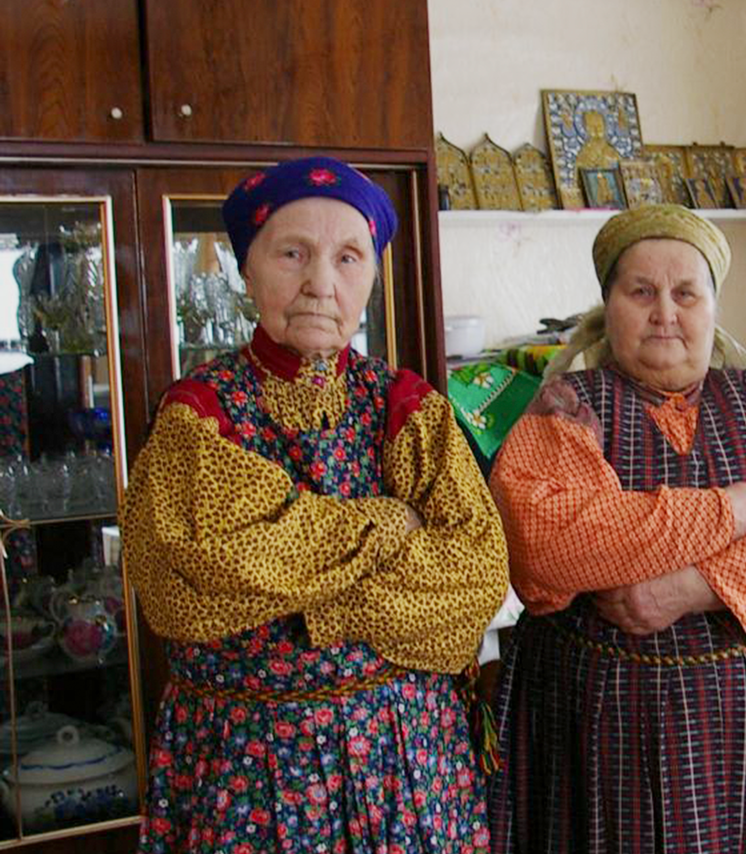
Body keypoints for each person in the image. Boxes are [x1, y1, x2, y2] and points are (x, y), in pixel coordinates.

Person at [121, 156, 508, 853]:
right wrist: (388, 522)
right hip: (247, 758)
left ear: (373, 275)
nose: (320, 284)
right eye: (292, 253)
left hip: (404, 752)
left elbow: (473, 580)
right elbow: (193, 584)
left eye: (349, 257)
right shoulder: (199, 415)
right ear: (247, 268)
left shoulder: (408, 406)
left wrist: (297, 578)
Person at [486, 204, 746, 852]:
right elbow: (547, 542)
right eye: (641, 292)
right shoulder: (567, 407)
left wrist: (691, 587)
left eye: (685, 293)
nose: (665, 311)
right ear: (609, 305)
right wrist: (733, 510)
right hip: (603, 737)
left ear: (713, 307)